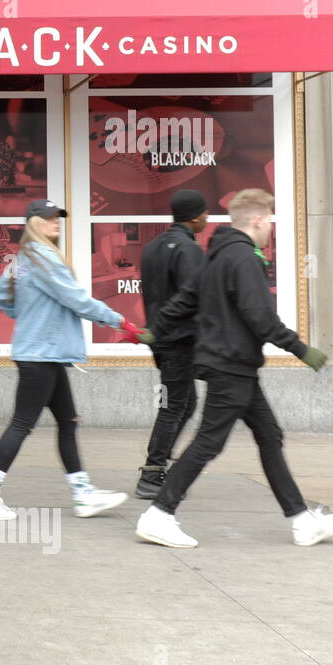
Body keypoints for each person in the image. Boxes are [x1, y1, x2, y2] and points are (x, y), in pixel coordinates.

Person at [136, 189, 333, 548]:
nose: (270, 231)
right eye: (269, 223)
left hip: (233, 366)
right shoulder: (244, 259)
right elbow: (260, 317)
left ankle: (300, 519)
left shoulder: (214, 256)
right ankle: (159, 514)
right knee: (208, 443)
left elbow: (184, 299)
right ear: (258, 220)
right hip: (230, 366)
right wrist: (302, 350)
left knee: (269, 435)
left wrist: (156, 329)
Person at [0, 199, 136, 521]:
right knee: (21, 425)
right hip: (42, 354)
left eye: (58, 217)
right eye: (49, 218)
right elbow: (77, 300)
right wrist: (120, 322)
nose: (57, 222)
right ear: (34, 223)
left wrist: (26, 315)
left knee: (67, 422)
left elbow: (1, 295)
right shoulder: (43, 258)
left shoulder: (21, 260)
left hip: (44, 353)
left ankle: (83, 493)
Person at [134, 189, 208, 499]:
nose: (206, 218)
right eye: (204, 213)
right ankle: (152, 473)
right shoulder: (189, 250)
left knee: (185, 402)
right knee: (174, 405)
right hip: (180, 341)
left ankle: (160, 464)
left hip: (161, 341)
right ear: (194, 217)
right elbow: (194, 297)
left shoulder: (152, 247)